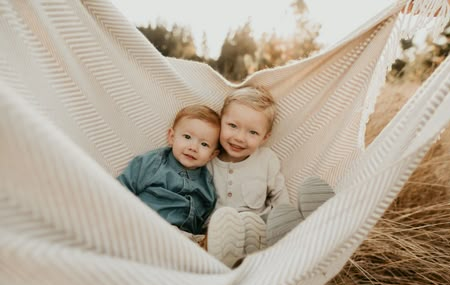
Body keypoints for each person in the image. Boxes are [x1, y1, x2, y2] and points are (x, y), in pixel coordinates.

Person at [205, 86, 335, 267]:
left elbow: (279, 195)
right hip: (217, 231)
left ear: (265, 137)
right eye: (233, 126)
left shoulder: (266, 160)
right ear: (221, 121)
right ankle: (229, 259)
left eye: (253, 132)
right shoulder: (207, 157)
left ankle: (305, 232)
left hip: (259, 228)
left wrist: (283, 219)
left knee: (258, 223)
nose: (240, 137)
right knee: (222, 223)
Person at [117, 105, 220, 236]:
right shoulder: (153, 162)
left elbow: (201, 221)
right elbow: (120, 188)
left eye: (204, 144)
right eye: (187, 137)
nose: (193, 147)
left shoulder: (208, 187)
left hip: (181, 239)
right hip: (143, 223)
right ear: (172, 137)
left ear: (212, 155)